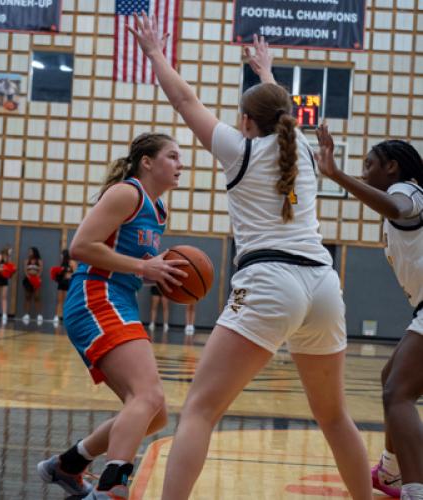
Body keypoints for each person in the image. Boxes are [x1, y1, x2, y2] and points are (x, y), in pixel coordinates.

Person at [129, 17, 372, 500]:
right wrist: (266, 71)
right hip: (324, 285)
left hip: (269, 282)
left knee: (199, 408)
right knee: (334, 416)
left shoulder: (239, 151)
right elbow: (278, 110)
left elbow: (184, 101)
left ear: (245, 122)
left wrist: (155, 51)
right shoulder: (300, 149)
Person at [36, 132, 186, 499]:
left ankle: (68, 465)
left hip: (120, 298)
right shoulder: (127, 194)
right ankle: (111, 487)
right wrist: (142, 266)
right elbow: (80, 247)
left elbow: (132, 262)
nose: (181, 164)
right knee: (147, 397)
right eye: (173, 156)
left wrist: (157, 272)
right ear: (147, 162)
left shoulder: (159, 209)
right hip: (95, 295)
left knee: (155, 412)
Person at [316, 125, 423, 500]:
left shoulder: (406, 190)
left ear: (391, 167)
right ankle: (392, 473)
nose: (364, 171)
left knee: (398, 392)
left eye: (369, 164)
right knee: (391, 377)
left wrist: (337, 175)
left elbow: (396, 206)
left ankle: (414, 489)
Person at [51, 249, 77, 324]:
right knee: (59, 300)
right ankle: (58, 316)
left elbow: (75, 273)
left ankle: (67, 316)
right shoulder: (62, 263)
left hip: (68, 283)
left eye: (62, 254)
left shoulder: (72, 262)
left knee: (67, 300)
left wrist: (70, 276)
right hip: (61, 282)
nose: (61, 256)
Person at [22, 247, 43, 324]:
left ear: (34, 252)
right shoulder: (27, 260)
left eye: (30, 251)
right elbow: (25, 270)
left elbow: (40, 270)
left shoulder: (39, 261)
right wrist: (29, 277)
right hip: (28, 280)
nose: (29, 252)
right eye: (29, 251)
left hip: (36, 280)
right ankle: (26, 314)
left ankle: (39, 315)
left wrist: (36, 278)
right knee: (27, 297)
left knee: (37, 297)